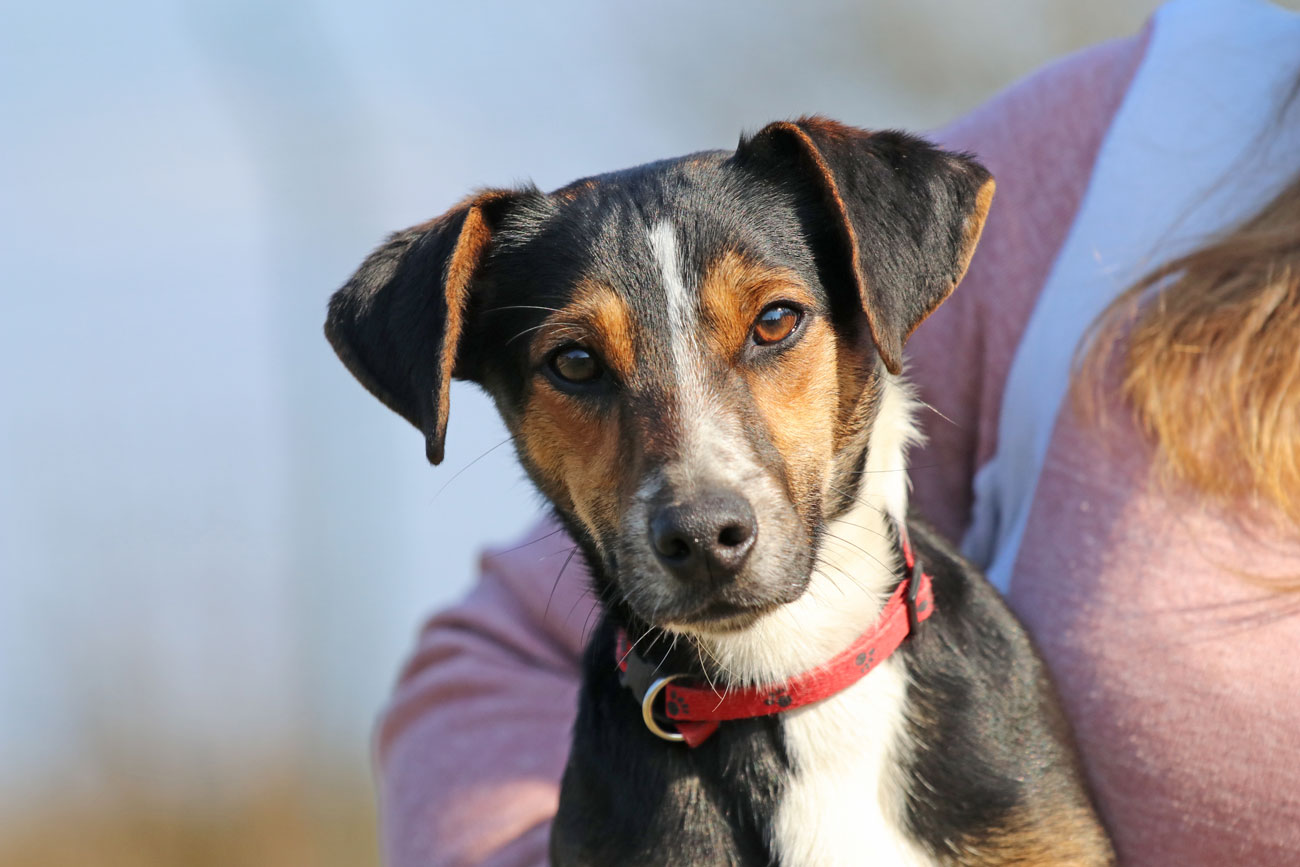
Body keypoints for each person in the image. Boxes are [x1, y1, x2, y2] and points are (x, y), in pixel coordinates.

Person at [374, 0, 1300, 863]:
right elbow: (491, 649)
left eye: (772, 325)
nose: (698, 497)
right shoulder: (1140, 137)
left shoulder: (1007, 760)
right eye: (579, 365)